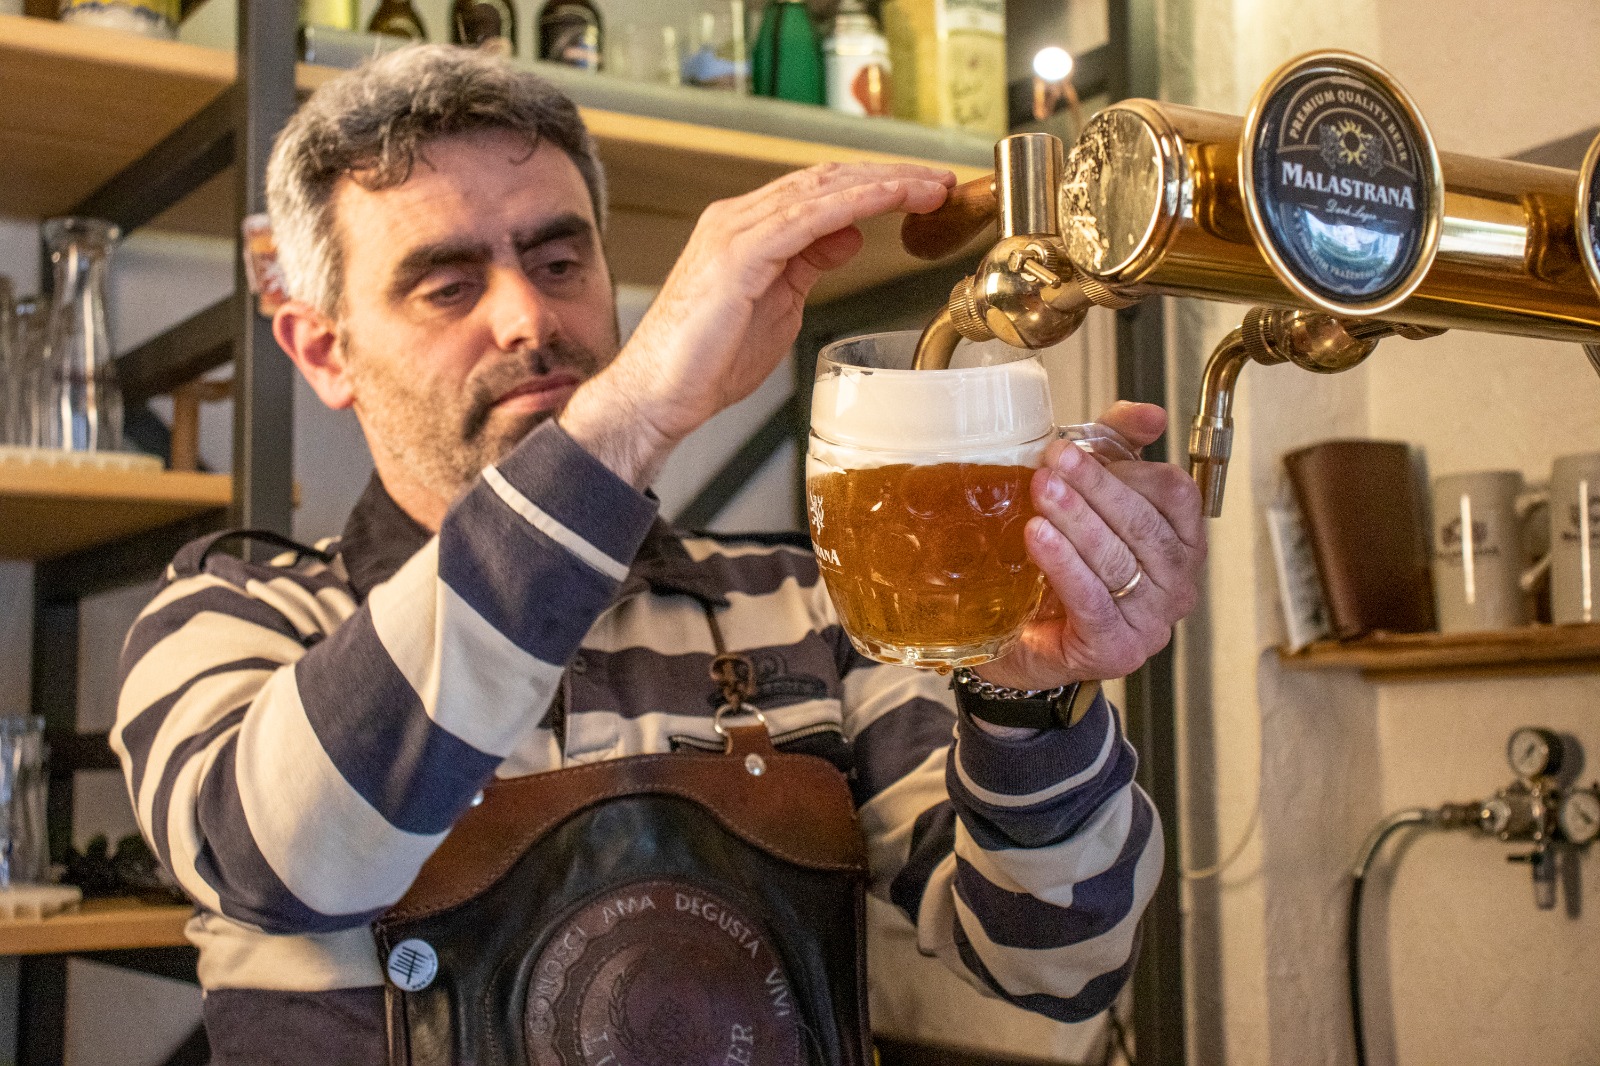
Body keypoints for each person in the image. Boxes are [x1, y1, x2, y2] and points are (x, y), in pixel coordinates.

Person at [112, 44, 1205, 1066]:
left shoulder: (801, 605)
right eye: (446, 283)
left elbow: (1054, 961)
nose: (527, 316)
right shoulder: (234, 614)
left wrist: (1021, 707)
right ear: (322, 349)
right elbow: (284, 863)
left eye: (559, 256)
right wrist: (628, 414)